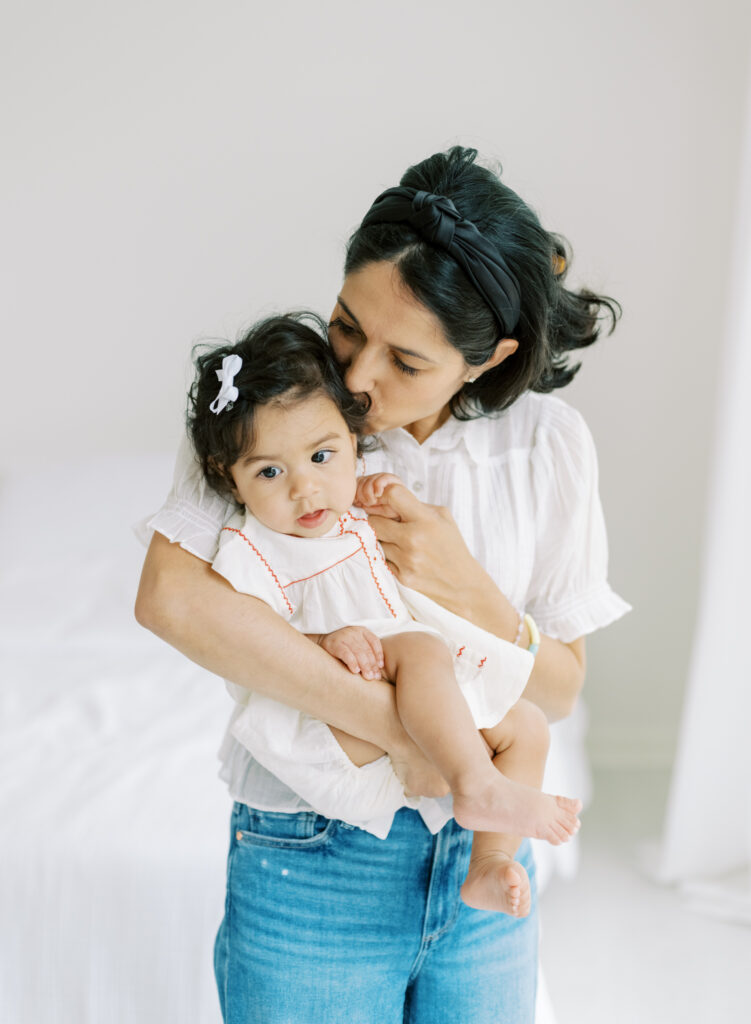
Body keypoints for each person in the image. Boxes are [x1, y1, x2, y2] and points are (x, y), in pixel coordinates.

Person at [135, 146, 630, 1024]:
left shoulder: (545, 445)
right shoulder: (273, 414)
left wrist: (470, 589)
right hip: (313, 856)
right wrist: (416, 739)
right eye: (346, 325)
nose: (358, 379)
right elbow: (174, 603)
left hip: (483, 868)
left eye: (406, 362)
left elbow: (558, 689)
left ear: (487, 358)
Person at [186, 313, 582, 919]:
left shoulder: (352, 512)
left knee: (529, 726)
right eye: (269, 471)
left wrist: (388, 500)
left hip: (405, 702)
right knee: (420, 649)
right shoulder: (251, 548)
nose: (304, 490)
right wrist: (323, 638)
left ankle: (490, 861)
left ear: (353, 443)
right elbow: (244, 634)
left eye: (323, 456)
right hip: (325, 722)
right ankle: (476, 785)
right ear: (228, 479)